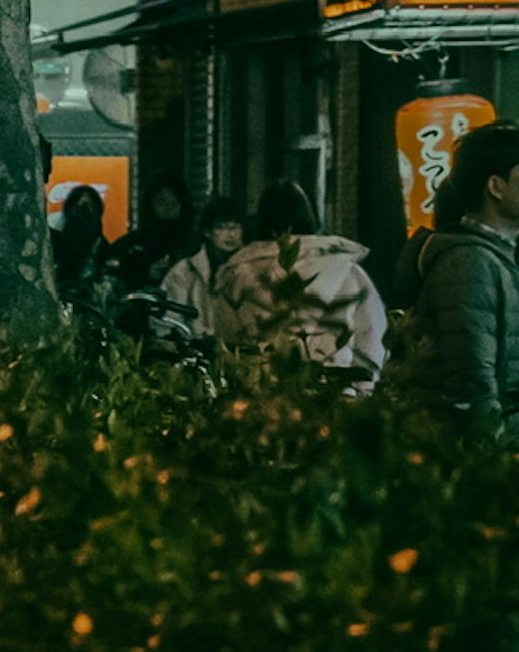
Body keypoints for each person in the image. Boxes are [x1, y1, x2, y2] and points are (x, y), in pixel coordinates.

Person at [392, 120, 519, 432]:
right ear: (496, 186)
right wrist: (490, 463)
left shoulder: (497, 256)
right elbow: (472, 381)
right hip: (475, 457)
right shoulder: (468, 262)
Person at [216, 179, 388, 374]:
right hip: (334, 386)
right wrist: (362, 388)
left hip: (262, 390)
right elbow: (372, 334)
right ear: (309, 217)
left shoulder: (236, 275)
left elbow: (227, 340)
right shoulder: (345, 270)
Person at [158, 195, 246, 333]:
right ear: (207, 232)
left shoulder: (250, 269)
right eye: (222, 227)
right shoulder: (184, 271)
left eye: (236, 227)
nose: (231, 234)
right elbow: (168, 321)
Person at [49, 183, 111, 306]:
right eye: (78, 206)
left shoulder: (102, 246)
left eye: (89, 206)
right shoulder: (53, 241)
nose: (83, 211)